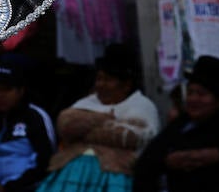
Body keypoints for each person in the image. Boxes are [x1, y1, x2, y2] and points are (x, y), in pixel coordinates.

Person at [36, 43, 159, 192]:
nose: (100, 84)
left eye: (108, 80)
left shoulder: (142, 106)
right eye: (99, 79)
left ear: (126, 85)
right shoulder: (87, 102)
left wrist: (84, 130)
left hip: (116, 174)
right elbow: (65, 125)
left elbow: (133, 137)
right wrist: (106, 120)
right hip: (71, 172)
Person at [132, 55, 219, 192]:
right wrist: (166, 161)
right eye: (190, 93)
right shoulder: (179, 125)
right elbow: (147, 162)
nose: (193, 99)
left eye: (201, 94)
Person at [0, 60, 56, 192]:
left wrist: (10, 187)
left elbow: (46, 161)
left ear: (20, 91)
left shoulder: (35, 117)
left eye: (6, 89)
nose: (0, 95)